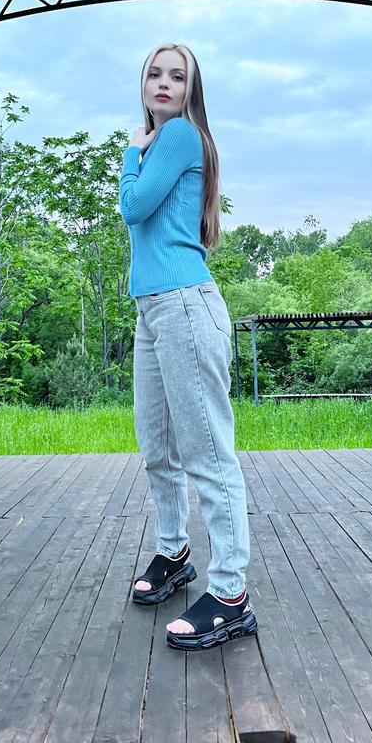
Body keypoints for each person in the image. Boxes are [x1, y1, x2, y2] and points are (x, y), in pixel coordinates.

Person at [119, 42, 257, 652]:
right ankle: (174, 554)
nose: (165, 83)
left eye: (178, 76)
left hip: (185, 306)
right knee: (158, 448)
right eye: (155, 73)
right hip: (153, 310)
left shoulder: (175, 137)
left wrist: (131, 150)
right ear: (143, 82)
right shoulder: (164, 145)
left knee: (208, 455)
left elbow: (133, 207)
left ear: (191, 90)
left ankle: (230, 594)